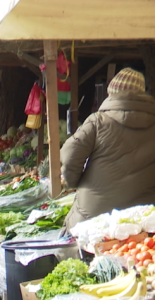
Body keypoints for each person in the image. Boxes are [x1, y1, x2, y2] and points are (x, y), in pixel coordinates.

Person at [61, 67, 155, 229]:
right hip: (143, 219)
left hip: (94, 218)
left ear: (112, 93)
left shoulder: (97, 121)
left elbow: (70, 157)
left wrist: (74, 182)